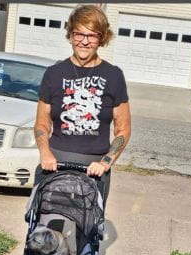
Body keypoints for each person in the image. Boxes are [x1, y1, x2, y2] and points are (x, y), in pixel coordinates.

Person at [33, 4, 132, 206]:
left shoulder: (114, 76)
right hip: (55, 162)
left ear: (101, 38)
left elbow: (123, 129)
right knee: (44, 227)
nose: (84, 42)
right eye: (79, 34)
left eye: (92, 36)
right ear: (70, 35)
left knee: (86, 232)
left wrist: (105, 162)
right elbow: (42, 125)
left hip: (94, 167)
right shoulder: (53, 74)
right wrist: (45, 153)